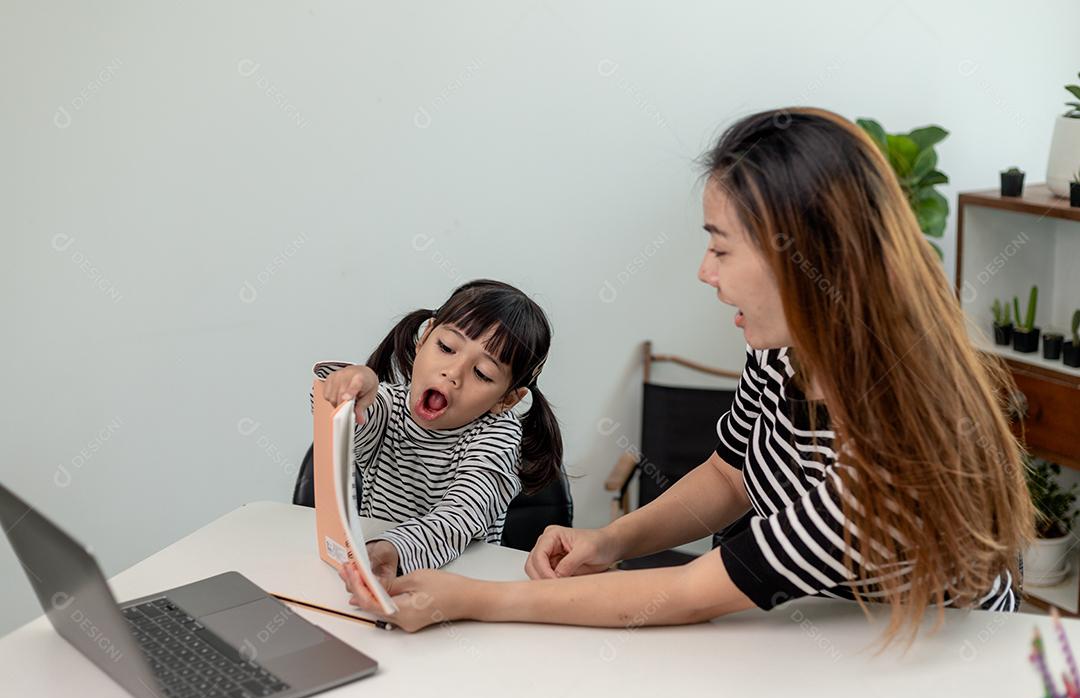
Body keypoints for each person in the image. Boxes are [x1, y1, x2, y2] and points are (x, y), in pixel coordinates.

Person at [340, 108, 1034, 644]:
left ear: (804, 256)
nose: (705, 272)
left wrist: (477, 600)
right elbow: (733, 476)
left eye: (720, 247)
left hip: (935, 657)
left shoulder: (891, 450)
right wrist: (611, 541)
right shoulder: (783, 349)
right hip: (823, 632)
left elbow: (693, 592)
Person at [319, 279, 562, 579]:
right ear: (424, 339)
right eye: (447, 347)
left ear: (507, 399)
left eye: (482, 373)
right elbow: (337, 420)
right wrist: (354, 383)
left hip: (459, 585)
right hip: (373, 572)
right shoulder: (390, 406)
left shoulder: (497, 439)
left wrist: (396, 549)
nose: (453, 373)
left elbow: (458, 519)